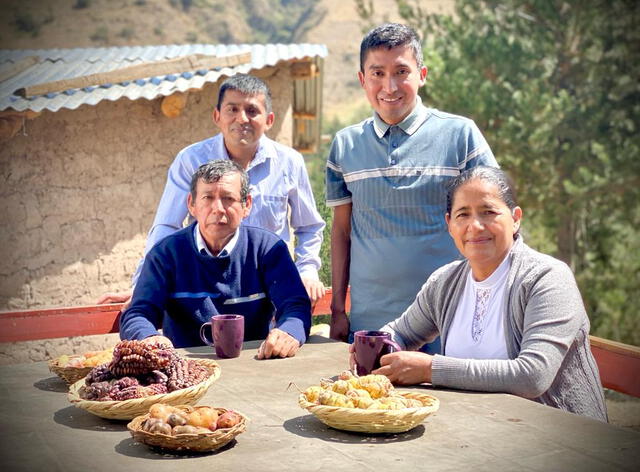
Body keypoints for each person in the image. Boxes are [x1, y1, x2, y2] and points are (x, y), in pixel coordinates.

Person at [359, 166, 607, 421]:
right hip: (476, 432)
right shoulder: (445, 282)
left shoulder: (547, 279)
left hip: (561, 440)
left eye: (488, 212)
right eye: (462, 215)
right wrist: (375, 343)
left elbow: (533, 376)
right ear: (449, 224)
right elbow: (401, 332)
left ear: (516, 218)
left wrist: (430, 369)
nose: (475, 226)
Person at [326, 23, 498, 345]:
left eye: (401, 71)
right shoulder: (344, 146)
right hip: (371, 324)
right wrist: (337, 309)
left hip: (450, 318)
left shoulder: (461, 136)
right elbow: (342, 231)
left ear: (422, 74)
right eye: (377, 73)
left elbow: (495, 218)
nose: (389, 86)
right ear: (362, 79)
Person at [99, 73, 326, 306]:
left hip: (270, 291)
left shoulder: (289, 162)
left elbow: (308, 226)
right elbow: (167, 226)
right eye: (232, 110)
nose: (242, 119)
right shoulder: (191, 160)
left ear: (269, 120)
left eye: (252, 111)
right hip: (206, 293)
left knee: (274, 341)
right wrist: (143, 285)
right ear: (217, 116)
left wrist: (307, 270)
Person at [119, 160, 311, 359]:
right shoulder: (166, 254)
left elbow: (295, 305)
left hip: (255, 364)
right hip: (186, 373)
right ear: (191, 205)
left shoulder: (267, 249)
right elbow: (137, 314)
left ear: (247, 205)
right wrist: (149, 338)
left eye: (228, 198)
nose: (218, 208)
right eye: (207, 197)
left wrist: (289, 331)